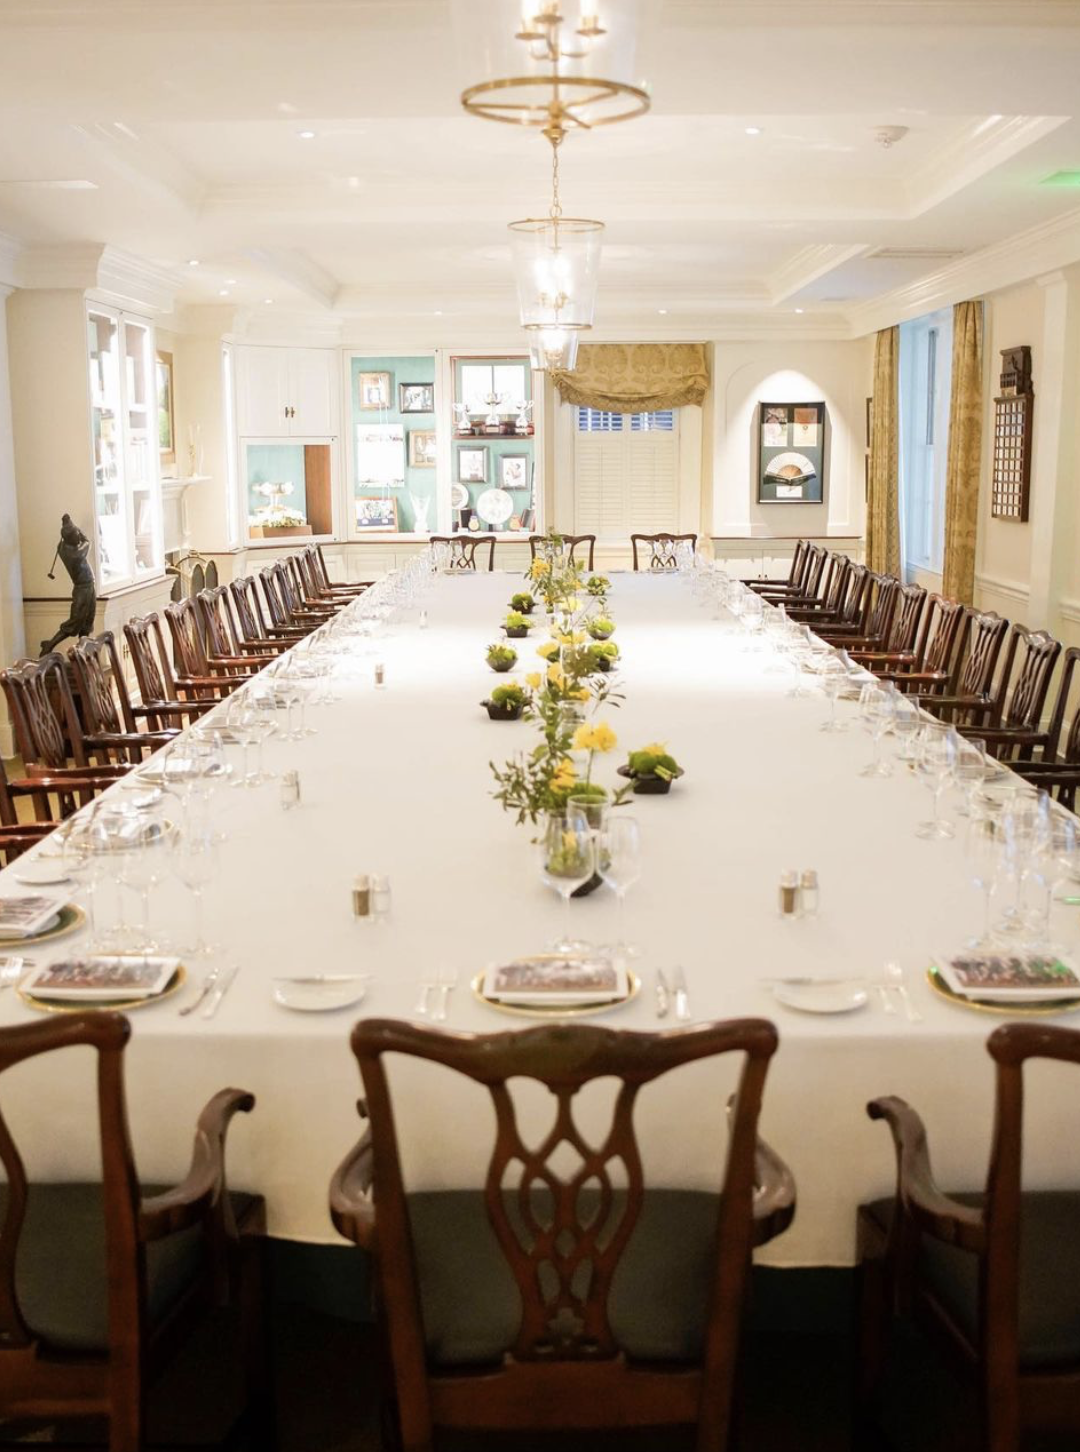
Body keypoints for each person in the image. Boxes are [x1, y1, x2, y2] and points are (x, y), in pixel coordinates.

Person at [39, 514, 96, 656]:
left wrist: (68, 523)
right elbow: (87, 541)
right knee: (75, 622)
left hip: (89, 587)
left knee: (88, 620)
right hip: (82, 589)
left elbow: (78, 537)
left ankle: (84, 650)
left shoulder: (63, 546)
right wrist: (76, 528)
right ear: (69, 539)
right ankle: (49, 645)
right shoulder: (75, 554)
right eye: (75, 535)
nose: (78, 537)